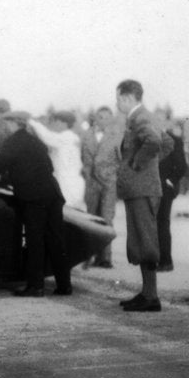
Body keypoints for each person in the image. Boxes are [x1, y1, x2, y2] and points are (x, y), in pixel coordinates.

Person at [0, 110, 71, 297]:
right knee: (56, 241)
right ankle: (64, 286)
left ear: (16, 123)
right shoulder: (35, 140)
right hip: (52, 194)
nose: (6, 127)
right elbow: (48, 166)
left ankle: (35, 287)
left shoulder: (14, 141)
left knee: (35, 241)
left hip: (33, 198)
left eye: (8, 123)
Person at [114, 79, 172, 312]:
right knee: (140, 240)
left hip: (142, 189)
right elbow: (167, 143)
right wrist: (151, 166)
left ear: (128, 98)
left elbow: (157, 141)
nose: (116, 103)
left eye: (118, 98)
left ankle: (151, 297)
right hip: (141, 188)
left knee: (145, 241)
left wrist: (137, 165)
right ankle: (147, 293)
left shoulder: (140, 117)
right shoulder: (142, 117)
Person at [80, 106, 120, 267]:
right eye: (100, 116)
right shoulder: (86, 135)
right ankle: (89, 256)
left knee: (107, 217)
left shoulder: (117, 136)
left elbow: (122, 161)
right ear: (95, 118)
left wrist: (111, 173)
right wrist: (86, 172)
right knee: (91, 217)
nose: (102, 120)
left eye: (106, 117)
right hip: (91, 182)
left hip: (109, 183)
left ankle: (105, 258)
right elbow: (82, 156)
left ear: (111, 119)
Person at [28, 111, 86, 210]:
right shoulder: (72, 137)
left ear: (63, 123)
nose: (54, 124)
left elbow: (47, 137)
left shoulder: (65, 137)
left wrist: (32, 122)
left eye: (55, 121)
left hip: (67, 184)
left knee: (66, 215)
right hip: (72, 182)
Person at [157, 119, 188, 272]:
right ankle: (158, 260)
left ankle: (166, 262)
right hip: (151, 188)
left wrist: (170, 182)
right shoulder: (148, 138)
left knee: (162, 224)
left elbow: (182, 166)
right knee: (155, 224)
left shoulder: (175, 140)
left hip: (165, 189)